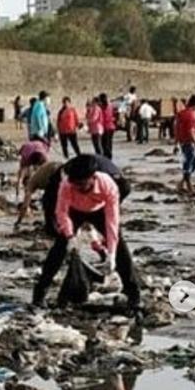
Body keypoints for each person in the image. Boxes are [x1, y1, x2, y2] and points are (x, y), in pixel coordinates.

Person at [32, 154, 140, 315]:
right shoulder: (67, 185)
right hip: (75, 211)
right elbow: (61, 212)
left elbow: (112, 221)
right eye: (75, 184)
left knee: (121, 250)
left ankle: (134, 296)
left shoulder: (107, 185)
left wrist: (111, 252)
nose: (79, 188)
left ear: (93, 177)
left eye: (82, 184)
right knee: (59, 249)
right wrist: (69, 236)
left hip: (100, 210)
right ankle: (39, 295)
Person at [175, 93, 195, 196]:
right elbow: (191, 132)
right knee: (188, 163)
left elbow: (176, 129)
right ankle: (189, 187)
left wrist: (176, 143)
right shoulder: (191, 116)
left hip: (182, 142)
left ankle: (182, 183)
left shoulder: (181, 113)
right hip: (188, 143)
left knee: (194, 162)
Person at [98, 93, 116, 160]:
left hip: (105, 127)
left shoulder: (102, 107)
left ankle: (107, 156)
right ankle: (109, 155)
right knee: (109, 142)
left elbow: (102, 117)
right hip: (111, 126)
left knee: (104, 143)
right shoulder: (110, 106)